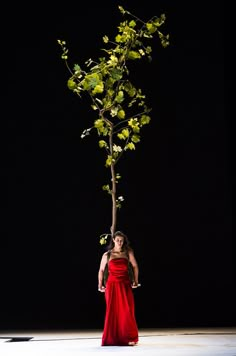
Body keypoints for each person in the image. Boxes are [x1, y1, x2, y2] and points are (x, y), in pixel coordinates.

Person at [98, 230, 140, 346]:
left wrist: (135, 281)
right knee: (112, 312)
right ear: (113, 241)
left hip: (125, 284)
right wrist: (100, 284)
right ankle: (112, 338)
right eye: (118, 240)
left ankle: (128, 337)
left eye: (121, 241)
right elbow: (101, 270)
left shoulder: (128, 252)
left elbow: (135, 266)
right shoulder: (107, 255)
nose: (120, 242)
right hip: (111, 286)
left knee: (127, 311)